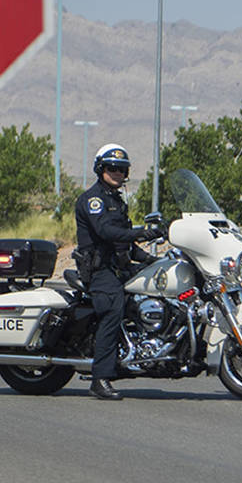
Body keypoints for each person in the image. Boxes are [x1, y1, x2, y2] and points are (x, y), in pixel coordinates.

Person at [74, 144, 162, 400]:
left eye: (122, 169)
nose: (118, 173)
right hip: (100, 271)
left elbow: (124, 244)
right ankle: (100, 379)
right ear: (101, 169)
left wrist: (152, 259)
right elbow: (105, 232)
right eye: (112, 168)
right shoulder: (93, 200)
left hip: (119, 267)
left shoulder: (116, 201)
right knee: (113, 308)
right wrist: (142, 232)